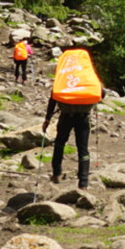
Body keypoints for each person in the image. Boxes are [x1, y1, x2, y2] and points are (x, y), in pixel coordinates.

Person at [41, 46, 101, 189]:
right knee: (83, 149)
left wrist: (47, 119)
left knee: (59, 144)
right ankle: (83, 182)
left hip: (66, 117)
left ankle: (56, 173)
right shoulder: (87, 77)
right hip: (83, 118)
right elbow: (101, 94)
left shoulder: (63, 78)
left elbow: (53, 98)